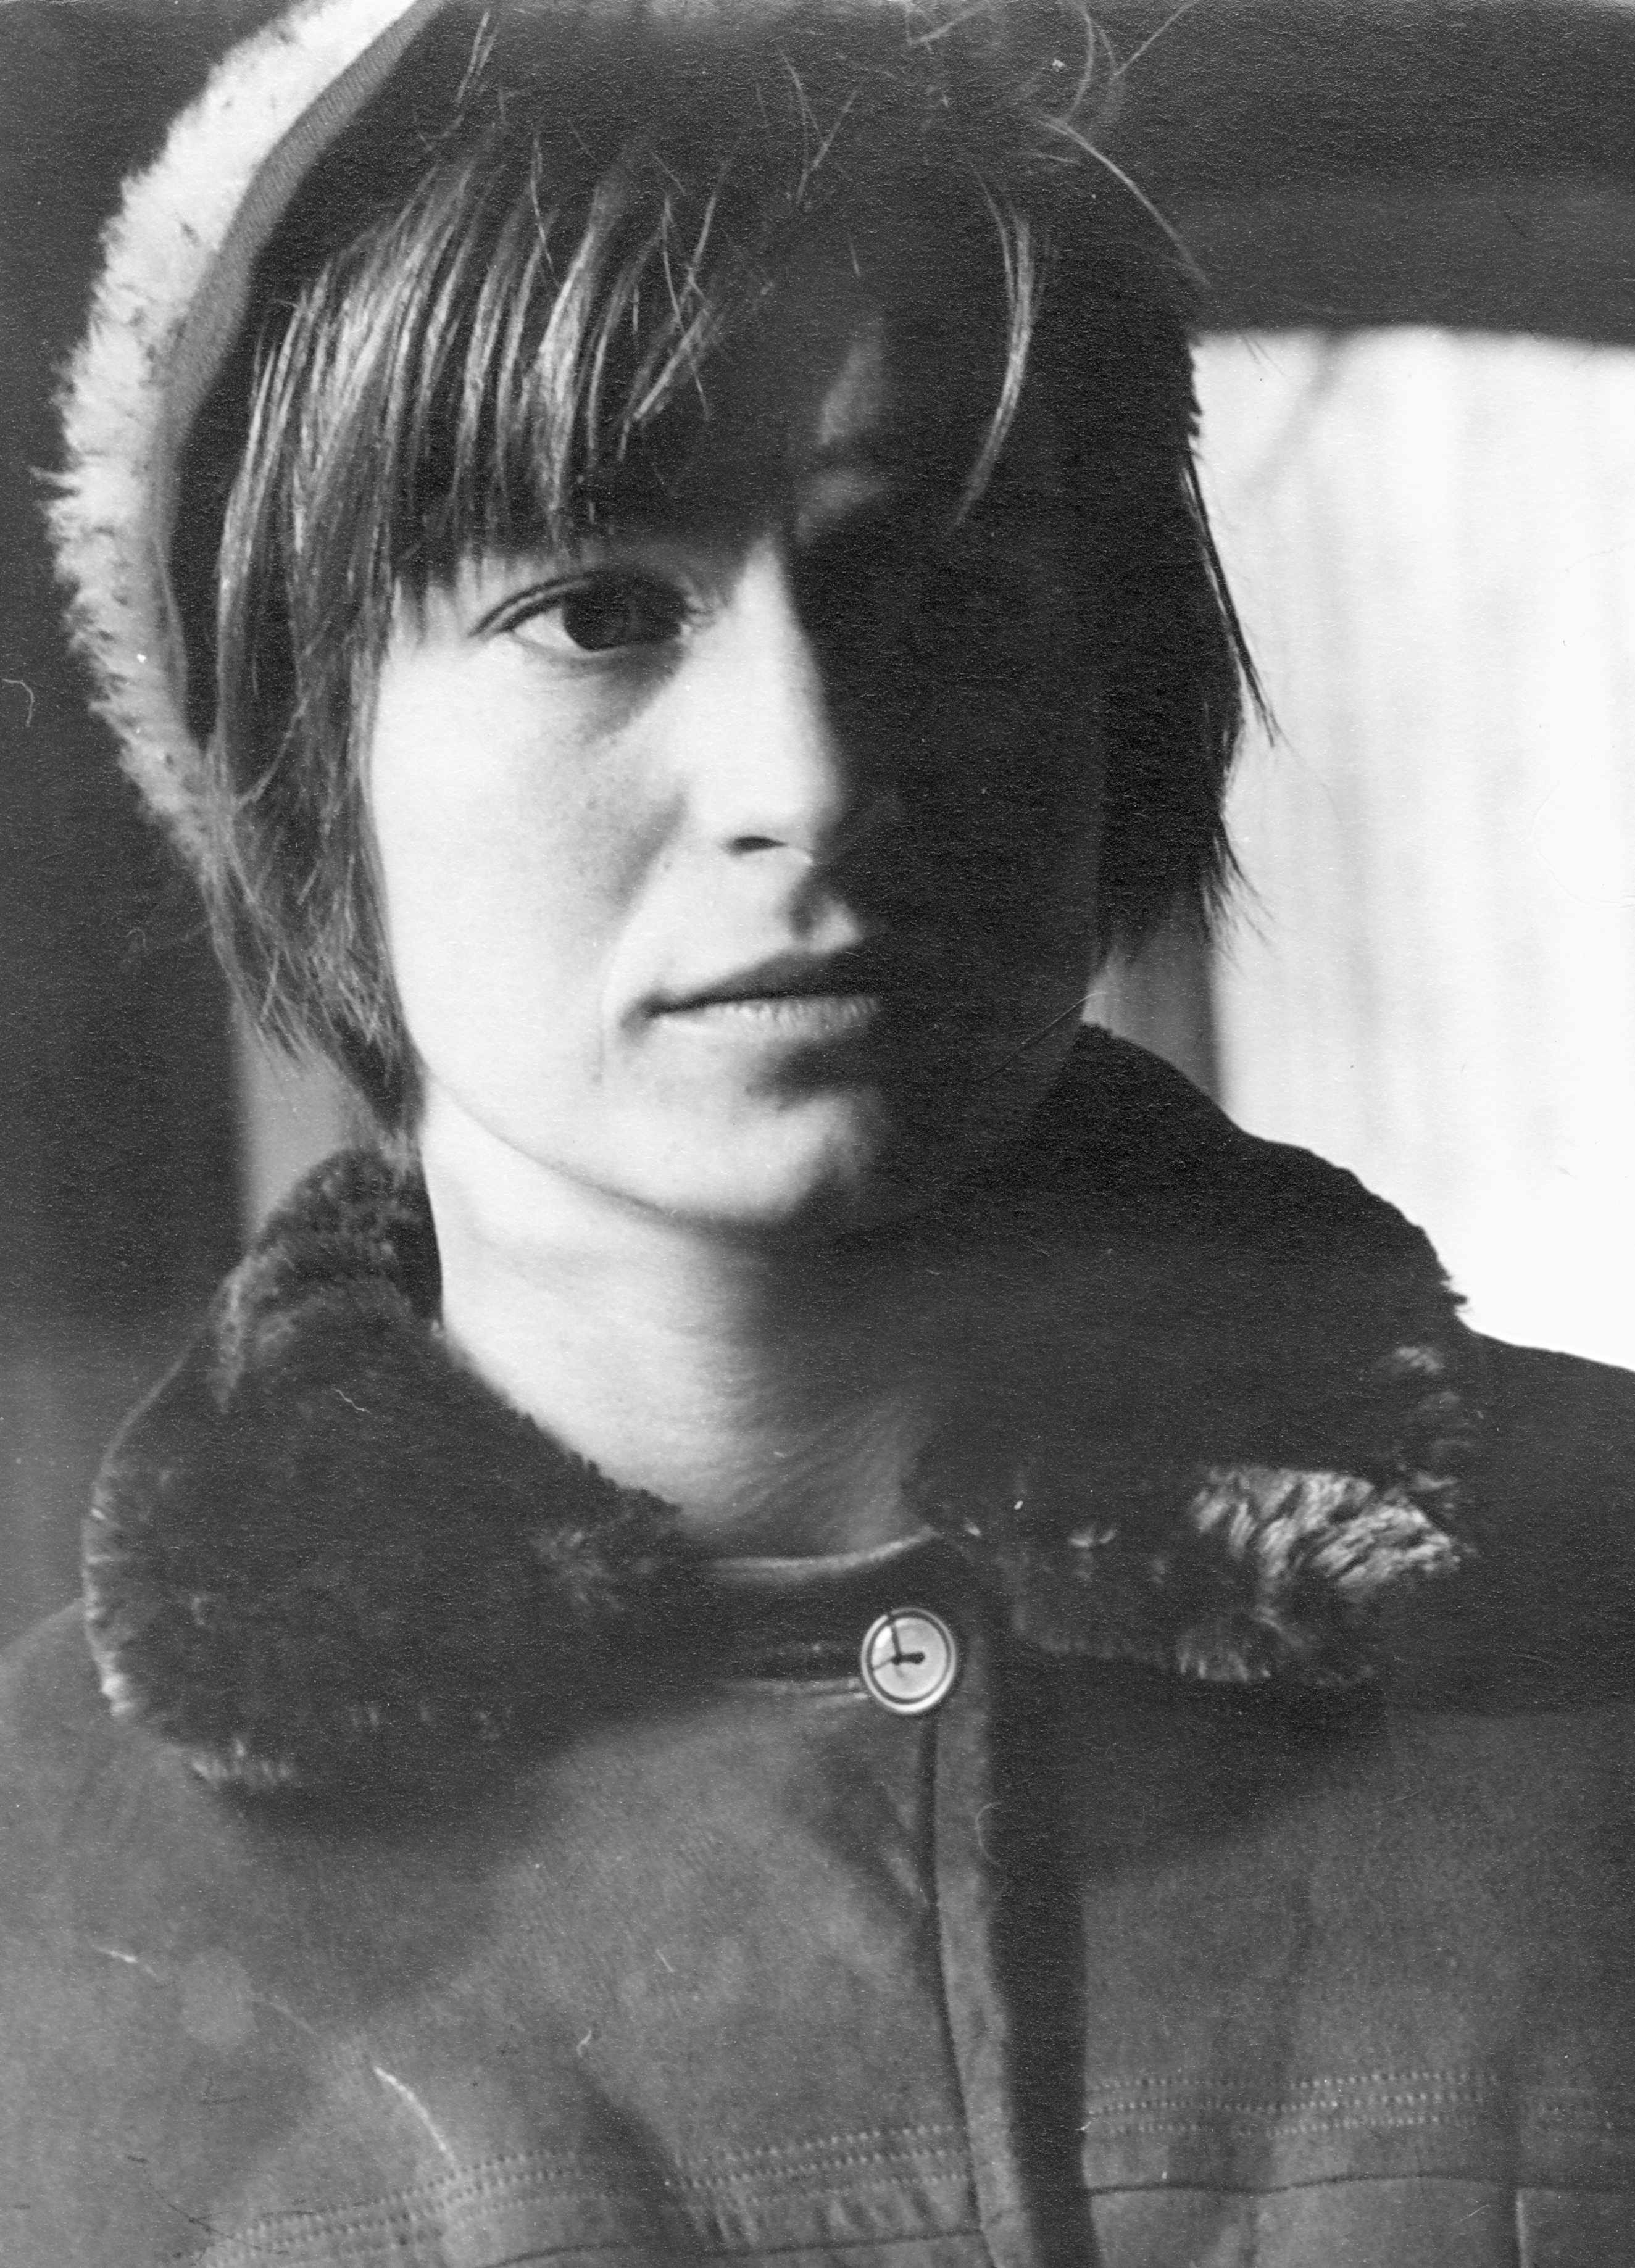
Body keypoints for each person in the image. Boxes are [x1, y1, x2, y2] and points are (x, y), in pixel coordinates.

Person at [2, 0, 1633, 2261]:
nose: (808, 775)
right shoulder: (40, 1918)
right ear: (299, 752)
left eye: (939, 588)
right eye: (594, 609)